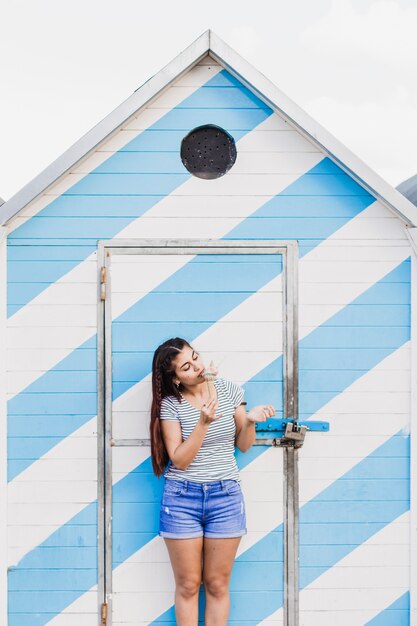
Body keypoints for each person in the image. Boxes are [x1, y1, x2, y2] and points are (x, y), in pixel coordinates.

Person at [150, 337, 275, 626]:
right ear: (176, 379)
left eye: (195, 357)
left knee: (217, 584)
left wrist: (251, 421)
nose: (196, 366)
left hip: (225, 495)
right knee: (189, 585)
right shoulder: (171, 404)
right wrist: (203, 422)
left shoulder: (230, 390)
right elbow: (180, 459)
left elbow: (243, 445)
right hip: (182, 498)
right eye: (186, 366)